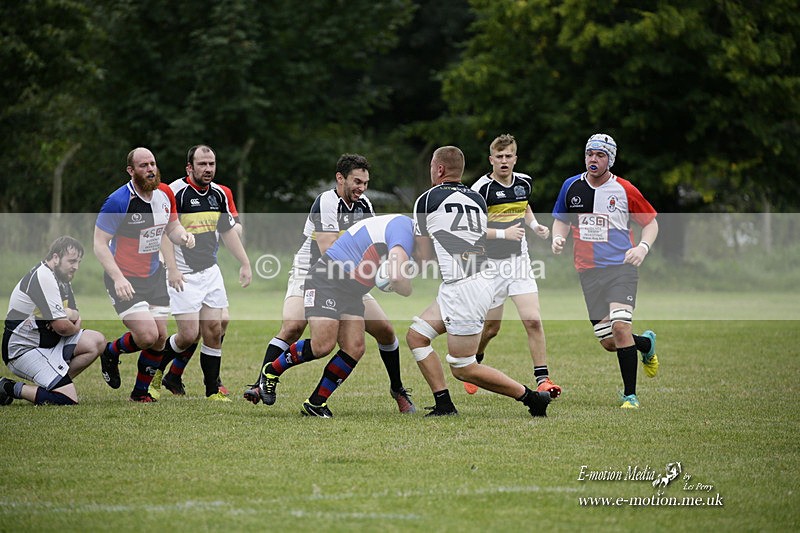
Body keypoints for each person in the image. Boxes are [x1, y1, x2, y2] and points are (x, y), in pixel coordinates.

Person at [243, 154, 415, 413]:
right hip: (313, 271)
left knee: (385, 331)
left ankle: (397, 388)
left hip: (350, 277)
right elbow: (328, 251)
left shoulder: (364, 204)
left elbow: (371, 245)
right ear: (340, 178)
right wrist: (374, 275)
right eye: (357, 181)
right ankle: (261, 383)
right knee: (293, 326)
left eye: (365, 183)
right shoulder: (327, 201)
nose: (362, 188)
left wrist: (384, 272)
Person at [405, 145, 552, 417]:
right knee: (417, 336)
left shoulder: (426, 200)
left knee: (464, 368)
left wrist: (400, 265)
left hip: (465, 288)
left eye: (431, 167)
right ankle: (444, 404)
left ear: (439, 169)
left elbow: (425, 256)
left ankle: (532, 398)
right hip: (472, 280)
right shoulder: (476, 198)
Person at [257, 214, 416, 417]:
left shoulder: (406, 235)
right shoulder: (404, 227)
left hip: (352, 289)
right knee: (322, 345)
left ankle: (316, 404)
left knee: (354, 347)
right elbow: (397, 279)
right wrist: (399, 281)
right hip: (328, 279)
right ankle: (271, 371)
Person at [551, 133, 659, 409]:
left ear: (609, 159)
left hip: (621, 268)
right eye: (590, 154)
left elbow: (651, 223)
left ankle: (630, 396)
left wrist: (642, 248)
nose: (593, 159)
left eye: (600, 155)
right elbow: (561, 220)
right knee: (609, 341)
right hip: (588, 271)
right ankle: (645, 344)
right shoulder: (571, 186)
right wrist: (558, 237)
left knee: (620, 327)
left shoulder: (624, 189)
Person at [93, 147, 196, 402]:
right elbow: (99, 244)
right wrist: (118, 278)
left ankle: (139, 394)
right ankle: (110, 351)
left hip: (153, 276)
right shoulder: (119, 201)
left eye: (152, 163)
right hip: (125, 278)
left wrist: (184, 236)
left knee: (159, 338)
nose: (150, 169)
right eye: (143, 165)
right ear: (131, 171)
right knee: (147, 335)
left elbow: (172, 227)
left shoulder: (165, 194)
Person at [151, 144, 251, 402]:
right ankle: (156, 371)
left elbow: (228, 232)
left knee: (214, 328)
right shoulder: (174, 192)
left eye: (211, 164)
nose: (208, 169)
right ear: (190, 167)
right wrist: (172, 269)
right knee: (187, 335)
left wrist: (245, 262)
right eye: (202, 164)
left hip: (210, 271)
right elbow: (163, 233)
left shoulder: (219, 194)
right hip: (183, 274)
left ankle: (212, 390)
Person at [464, 134, 561, 399]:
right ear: (491, 159)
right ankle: (474, 362)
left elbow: (524, 207)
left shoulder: (524, 182)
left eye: (509, 156)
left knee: (533, 320)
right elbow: (471, 229)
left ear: (515, 159)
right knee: (491, 328)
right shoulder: (481, 189)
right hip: (490, 266)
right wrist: (503, 234)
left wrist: (535, 225)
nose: (504, 161)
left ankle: (543, 380)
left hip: (519, 262)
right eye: (499, 156)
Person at [1, 236, 106, 406]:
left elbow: (75, 315)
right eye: (72, 261)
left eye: (78, 262)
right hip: (23, 349)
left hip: (48, 343)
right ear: (56, 257)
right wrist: (70, 323)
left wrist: (68, 314)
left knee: (97, 341)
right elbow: (63, 327)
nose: (76, 267)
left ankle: (54, 383)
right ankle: (8, 387)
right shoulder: (44, 277)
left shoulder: (62, 278)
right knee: (67, 398)